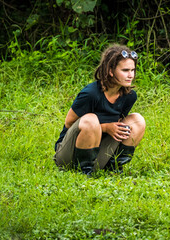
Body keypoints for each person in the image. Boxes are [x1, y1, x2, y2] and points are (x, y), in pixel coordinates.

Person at [53, 44, 146, 175]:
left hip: (98, 153)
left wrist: (111, 129)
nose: (131, 75)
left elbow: (119, 122)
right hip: (69, 155)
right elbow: (69, 123)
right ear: (110, 71)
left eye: (133, 70)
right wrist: (105, 127)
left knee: (137, 120)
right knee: (91, 119)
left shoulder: (129, 96)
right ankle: (84, 172)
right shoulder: (90, 94)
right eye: (125, 70)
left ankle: (113, 167)